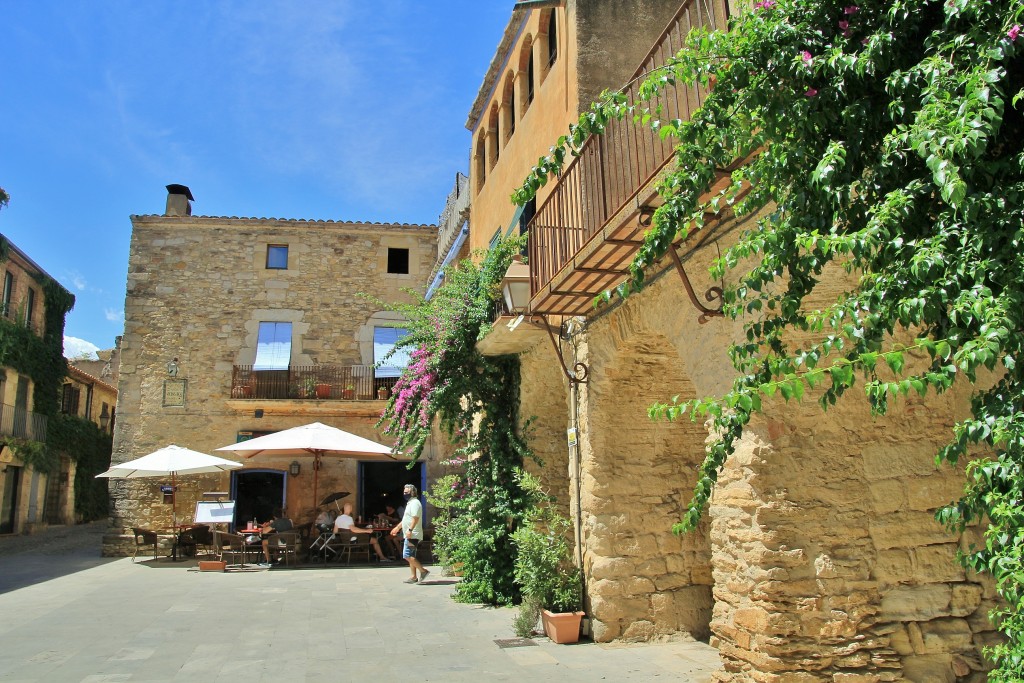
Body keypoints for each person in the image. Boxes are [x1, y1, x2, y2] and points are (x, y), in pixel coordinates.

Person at [391, 483, 428, 584]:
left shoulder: (415, 503)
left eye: (406, 492)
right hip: (410, 534)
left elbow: (415, 517)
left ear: (412, 492)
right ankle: (413, 577)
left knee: (407, 555)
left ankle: (423, 571)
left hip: (413, 534)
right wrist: (397, 528)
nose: (404, 494)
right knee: (411, 556)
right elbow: (405, 519)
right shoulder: (410, 503)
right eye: (404, 492)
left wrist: (410, 530)